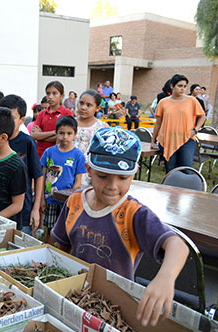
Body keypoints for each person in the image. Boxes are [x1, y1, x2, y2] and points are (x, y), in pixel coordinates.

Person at [51, 127, 189, 327]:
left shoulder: (134, 214)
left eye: (122, 178)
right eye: (103, 176)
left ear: (134, 173)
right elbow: (61, 246)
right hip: (74, 297)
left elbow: (178, 245)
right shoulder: (74, 202)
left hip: (115, 309)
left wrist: (165, 277)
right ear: (89, 169)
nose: (112, 186)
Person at [0, 94, 44, 234]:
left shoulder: (27, 142)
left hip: (23, 211)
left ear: (22, 120)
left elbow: (38, 175)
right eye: (3, 117)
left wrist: (35, 208)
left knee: (21, 249)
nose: (6, 122)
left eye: (11, 118)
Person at [40, 116, 86, 241]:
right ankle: (48, 251)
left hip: (67, 202)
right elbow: (42, 177)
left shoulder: (78, 156)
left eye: (69, 133)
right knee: (49, 230)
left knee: (67, 230)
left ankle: (62, 255)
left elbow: (78, 182)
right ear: (56, 133)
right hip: (50, 199)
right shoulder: (49, 152)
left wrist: (73, 201)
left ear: (75, 134)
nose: (65, 137)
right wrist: (41, 199)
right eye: (61, 133)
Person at [151, 74, 206, 173]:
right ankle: (170, 188)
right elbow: (158, 123)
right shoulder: (163, 102)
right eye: (179, 86)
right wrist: (153, 140)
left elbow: (202, 116)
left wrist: (195, 129)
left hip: (187, 139)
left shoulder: (191, 100)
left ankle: (185, 188)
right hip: (167, 139)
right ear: (172, 86)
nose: (182, 89)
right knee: (170, 171)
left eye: (185, 86)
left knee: (186, 170)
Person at [73, 90, 108, 187]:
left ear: (97, 108)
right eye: (81, 103)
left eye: (89, 105)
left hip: (89, 171)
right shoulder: (70, 123)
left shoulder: (102, 127)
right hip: (68, 166)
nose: (83, 107)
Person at [31, 81, 74, 158]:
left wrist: (41, 136)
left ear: (62, 96)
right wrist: (55, 132)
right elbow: (34, 135)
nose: (50, 97)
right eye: (48, 93)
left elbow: (64, 138)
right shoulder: (42, 114)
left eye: (54, 93)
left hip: (58, 155)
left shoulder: (67, 113)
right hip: (40, 155)